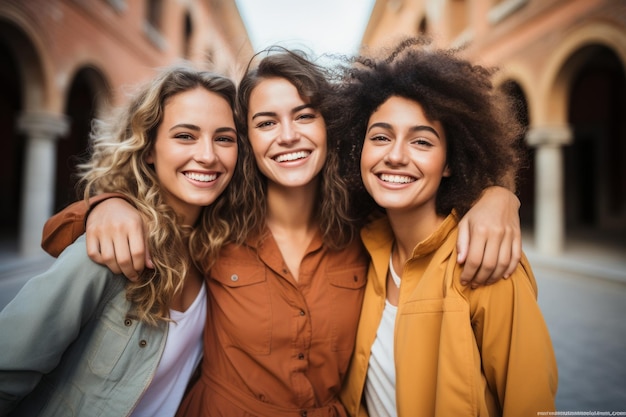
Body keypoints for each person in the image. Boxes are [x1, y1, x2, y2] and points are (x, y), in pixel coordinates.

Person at [40, 48, 523, 416]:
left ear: (329, 125)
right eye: (266, 121)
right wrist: (106, 206)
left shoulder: (367, 226)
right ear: (247, 138)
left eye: (304, 115)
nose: (288, 136)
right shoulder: (214, 223)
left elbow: (433, 179)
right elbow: (120, 217)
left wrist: (499, 196)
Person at [334, 38, 558, 416]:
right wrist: (502, 195)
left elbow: (532, 405)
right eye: (380, 137)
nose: (395, 155)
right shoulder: (362, 247)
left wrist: (502, 195)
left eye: (421, 141)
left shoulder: (488, 264)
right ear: (360, 149)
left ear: (450, 162)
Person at [0, 65, 240, 416]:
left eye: (224, 138)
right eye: (185, 136)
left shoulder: (216, 249)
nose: (207, 155)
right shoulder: (107, 251)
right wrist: (106, 205)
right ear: (149, 150)